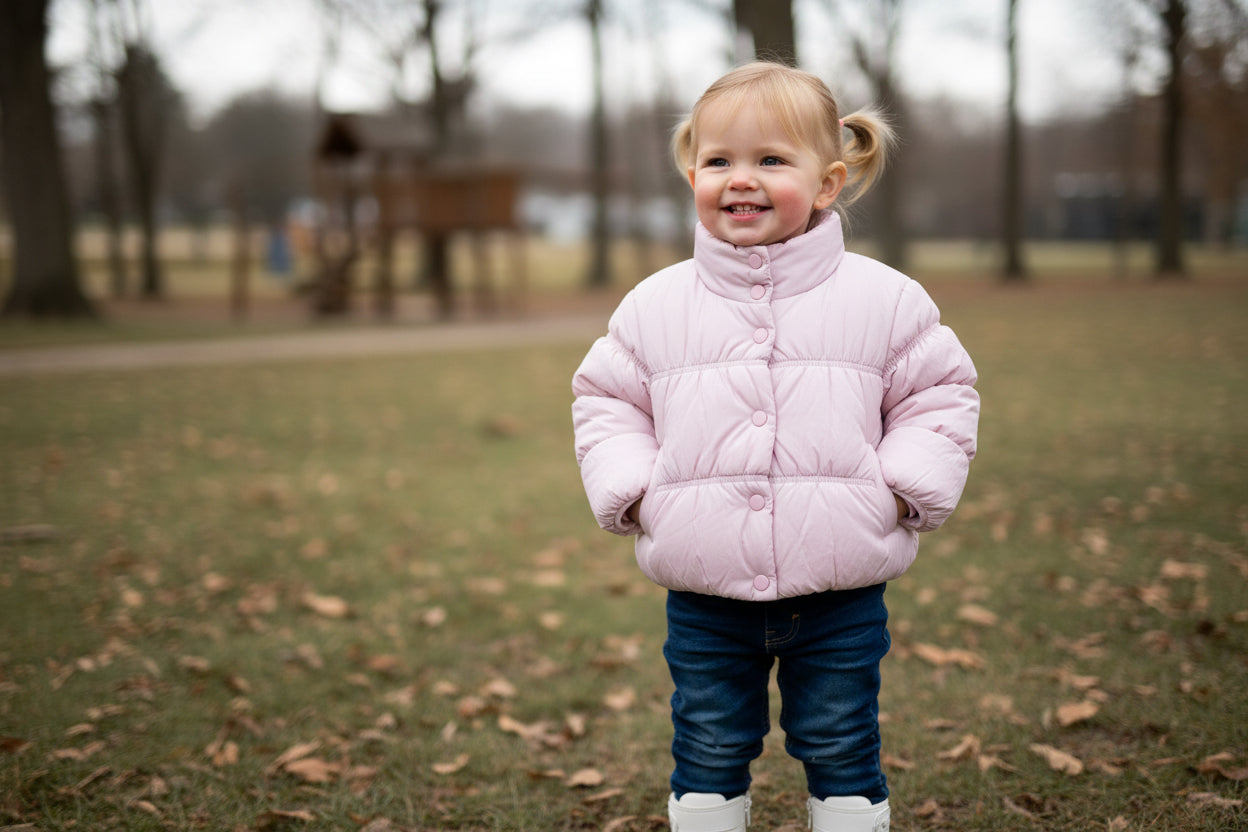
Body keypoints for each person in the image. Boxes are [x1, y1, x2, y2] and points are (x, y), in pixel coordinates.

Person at [571, 62, 979, 832]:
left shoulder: (884, 300)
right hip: (704, 590)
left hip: (840, 588)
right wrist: (636, 487)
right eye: (719, 160)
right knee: (709, 740)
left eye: (770, 160)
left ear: (827, 183)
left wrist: (898, 488)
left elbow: (940, 396)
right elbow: (607, 400)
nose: (740, 179)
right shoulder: (656, 305)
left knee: (838, 737)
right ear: (693, 171)